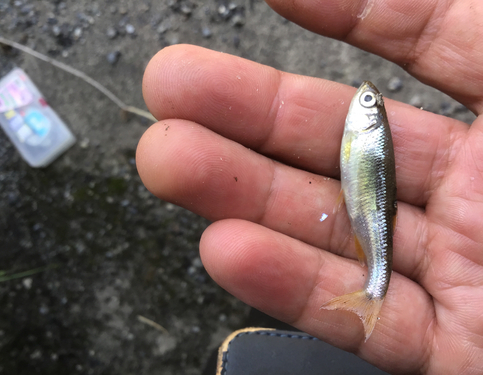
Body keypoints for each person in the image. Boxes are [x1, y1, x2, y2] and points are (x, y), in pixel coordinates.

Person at [135, 1, 483, 373]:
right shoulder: (369, 136)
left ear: (371, 117)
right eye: (369, 100)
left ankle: (373, 291)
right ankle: (371, 291)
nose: (363, 100)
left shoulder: (369, 133)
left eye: (368, 102)